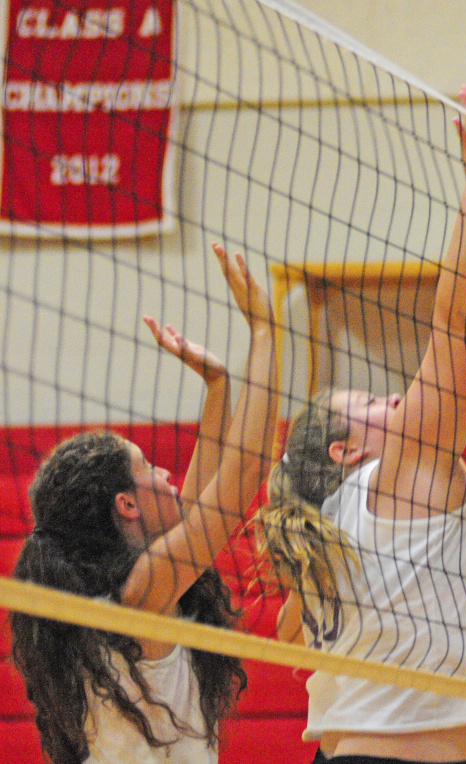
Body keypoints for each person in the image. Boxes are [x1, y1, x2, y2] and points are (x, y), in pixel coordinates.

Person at [255, 88, 466, 764]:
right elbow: (459, 329)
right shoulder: (396, 479)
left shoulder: (328, 530)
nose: (396, 403)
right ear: (349, 451)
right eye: (375, 405)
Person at [10, 244, 278, 764]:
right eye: (147, 466)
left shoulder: (138, 587)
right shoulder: (138, 595)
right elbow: (239, 478)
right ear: (127, 505)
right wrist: (265, 333)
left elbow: (201, 505)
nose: (164, 472)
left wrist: (219, 386)